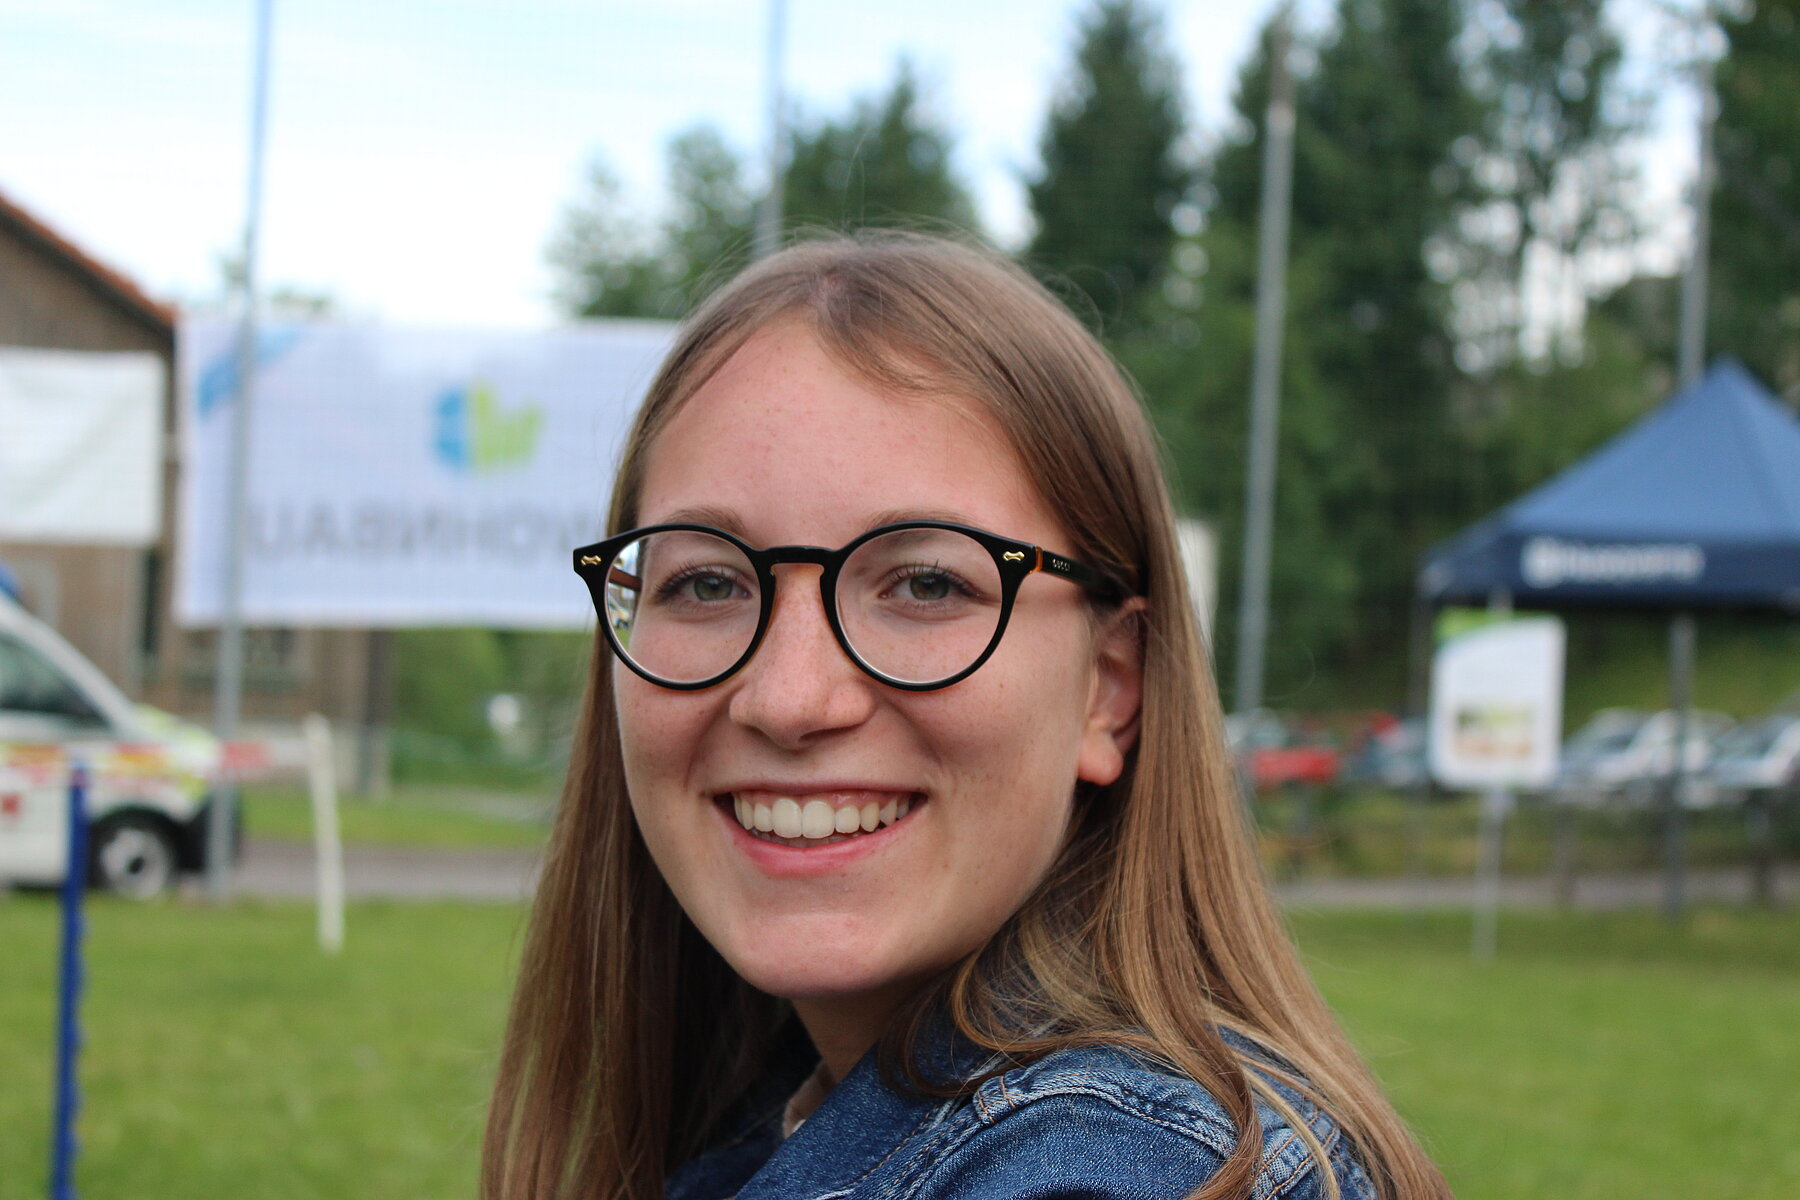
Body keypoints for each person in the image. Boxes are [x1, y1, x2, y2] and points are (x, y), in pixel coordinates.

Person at [483, 232, 1449, 1200]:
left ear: (1109, 689)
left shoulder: (1120, 1175)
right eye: (705, 583)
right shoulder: (783, 1116)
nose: (788, 698)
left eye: (925, 583)